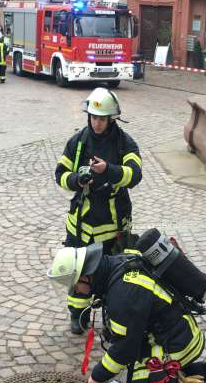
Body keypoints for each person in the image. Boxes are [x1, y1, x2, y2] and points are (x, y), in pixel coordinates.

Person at [47, 243, 206, 383]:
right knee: (137, 377)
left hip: (176, 344)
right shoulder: (118, 263)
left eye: (75, 286)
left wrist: (99, 375)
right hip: (172, 331)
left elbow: (126, 348)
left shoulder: (122, 296)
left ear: (86, 276)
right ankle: (204, 372)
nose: (77, 292)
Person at [54, 87, 142, 334]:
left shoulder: (125, 143)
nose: (97, 123)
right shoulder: (78, 142)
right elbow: (60, 174)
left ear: (111, 118)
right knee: (78, 271)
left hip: (112, 225)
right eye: (93, 117)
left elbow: (135, 175)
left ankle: (113, 321)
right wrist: (75, 180)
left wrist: (109, 171)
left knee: (115, 275)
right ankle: (77, 315)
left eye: (101, 118)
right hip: (81, 223)